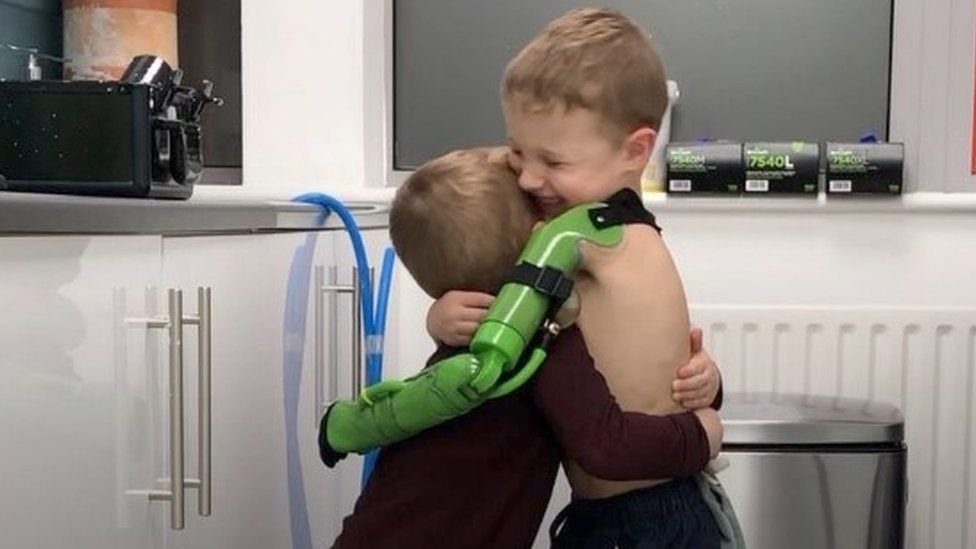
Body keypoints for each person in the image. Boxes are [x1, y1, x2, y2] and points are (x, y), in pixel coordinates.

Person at [426, 7, 726, 547]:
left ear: (635, 150)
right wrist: (711, 383)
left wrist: (440, 317)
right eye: (518, 153)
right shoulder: (627, 229)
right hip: (652, 508)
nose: (527, 177)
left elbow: (494, 277)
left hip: (642, 522)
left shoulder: (586, 237)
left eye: (553, 162)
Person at [330, 146, 723, 548]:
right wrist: (700, 435)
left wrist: (708, 382)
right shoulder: (537, 342)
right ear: (540, 239)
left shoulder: (465, 344)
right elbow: (607, 444)